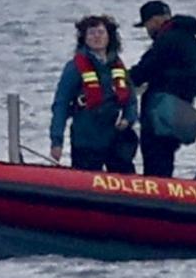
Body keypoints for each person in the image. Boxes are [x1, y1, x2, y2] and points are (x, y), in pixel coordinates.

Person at [49, 14, 139, 173]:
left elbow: (130, 100)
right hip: (86, 137)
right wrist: (57, 141)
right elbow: (61, 104)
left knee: (125, 175)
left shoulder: (117, 66)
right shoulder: (74, 67)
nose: (96, 37)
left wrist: (128, 119)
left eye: (100, 32)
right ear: (84, 38)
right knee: (84, 179)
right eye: (91, 33)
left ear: (109, 36)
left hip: (115, 138)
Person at [126, 0, 196, 178]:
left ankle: (154, 196)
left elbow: (144, 70)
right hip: (181, 110)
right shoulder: (191, 40)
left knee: (156, 158)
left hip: (161, 111)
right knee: (166, 158)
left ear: (155, 20)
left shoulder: (167, 40)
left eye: (147, 24)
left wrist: (121, 78)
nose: (148, 31)